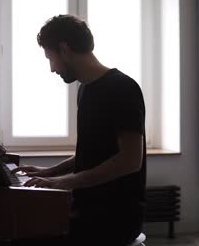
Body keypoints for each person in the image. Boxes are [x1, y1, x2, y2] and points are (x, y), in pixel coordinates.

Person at [11, 14, 147, 246]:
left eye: (50, 58)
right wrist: (51, 172)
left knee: (17, 237)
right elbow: (94, 150)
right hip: (87, 210)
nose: (52, 69)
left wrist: (63, 182)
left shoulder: (123, 88)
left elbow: (130, 160)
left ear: (65, 49)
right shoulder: (85, 89)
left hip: (113, 219)